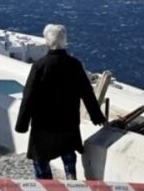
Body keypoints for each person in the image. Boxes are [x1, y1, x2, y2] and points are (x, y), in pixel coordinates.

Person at [15, 24, 107, 180]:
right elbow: (87, 93)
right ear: (65, 41)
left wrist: (22, 124)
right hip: (68, 122)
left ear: (47, 42)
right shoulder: (75, 65)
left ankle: (47, 185)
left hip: (43, 124)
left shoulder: (39, 66)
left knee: (41, 159)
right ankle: (71, 178)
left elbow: (28, 96)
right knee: (68, 154)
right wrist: (97, 117)